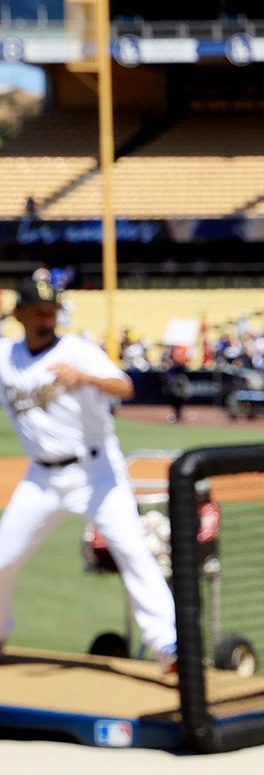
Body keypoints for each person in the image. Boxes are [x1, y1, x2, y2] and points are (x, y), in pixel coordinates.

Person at [0, 272, 178, 667]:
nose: (47, 319)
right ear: (20, 314)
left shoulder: (77, 351)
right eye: (39, 311)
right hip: (42, 478)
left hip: (97, 472)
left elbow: (125, 387)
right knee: (2, 557)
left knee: (133, 550)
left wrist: (85, 378)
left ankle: (167, 645)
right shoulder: (6, 356)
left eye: (52, 311)